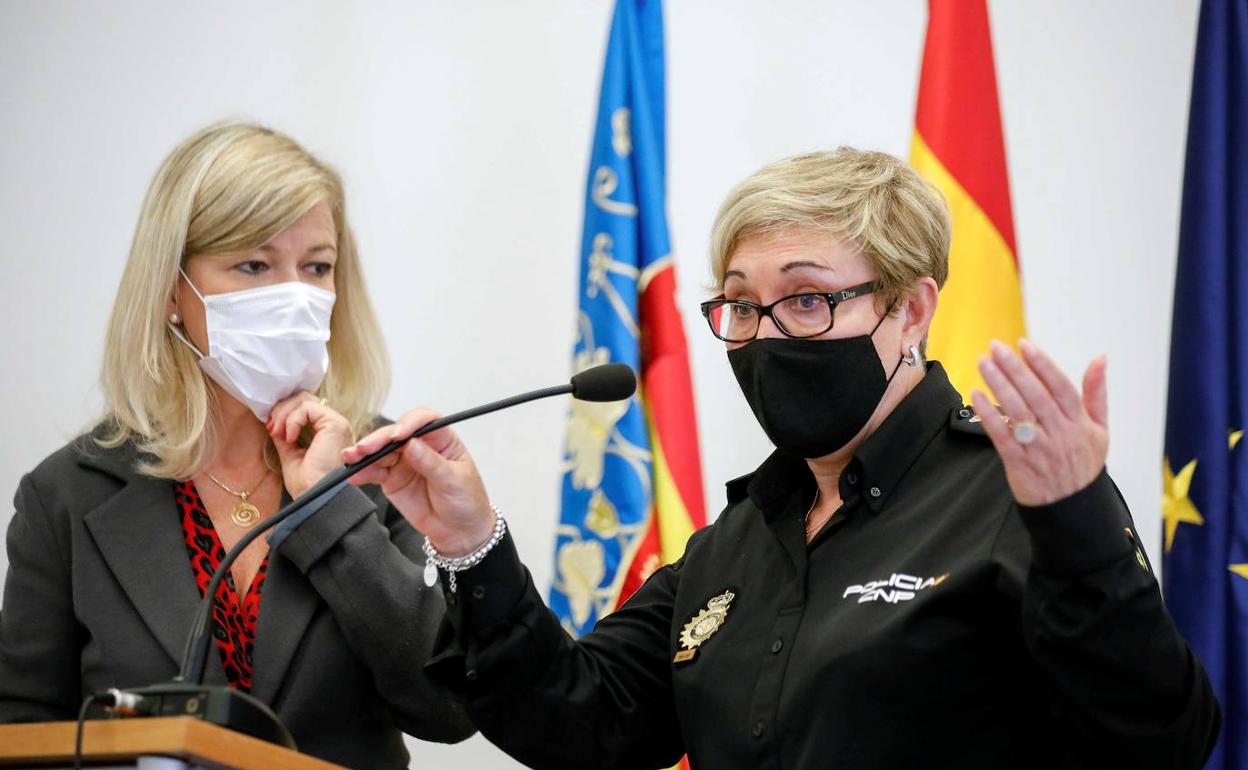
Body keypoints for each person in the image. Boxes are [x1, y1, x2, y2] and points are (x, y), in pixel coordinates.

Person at [343, 148, 1221, 769]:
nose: (764, 336)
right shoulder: (738, 538)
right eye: (739, 305)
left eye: (805, 300)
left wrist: (1076, 524)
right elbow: (586, 723)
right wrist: (468, 541)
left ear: (911, 311)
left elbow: (1160, 742)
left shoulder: (1019, 495)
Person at [0, 121, 474, 769]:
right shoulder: (66, 495)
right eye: (253, 265)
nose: (295, 296)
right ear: (172, 292)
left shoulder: (381, 465)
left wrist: (328, 506)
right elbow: (22, 735)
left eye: (317, 267)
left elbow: (446, 710)